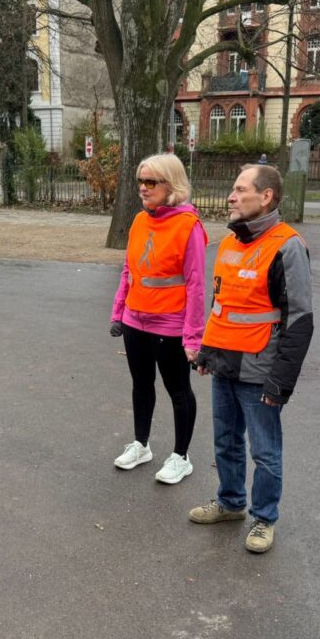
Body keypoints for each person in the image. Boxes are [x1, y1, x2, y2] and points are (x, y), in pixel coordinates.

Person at [188, 164, 313, 553]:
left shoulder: (287, 246)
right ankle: (230, 503)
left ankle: (264, 518)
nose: (231, 196)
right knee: (225, 441)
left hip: (260, 372)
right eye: (233, 188)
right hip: (225, 364)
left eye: (240, 190)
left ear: (266, 197)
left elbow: (300, 320)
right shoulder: (228, 243)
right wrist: (208, 350)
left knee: (265, 452)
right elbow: (222, 304)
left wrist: (281, 381)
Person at [110, 153, 207, 484]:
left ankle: (181, 456)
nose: (143, 188)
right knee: (141, 385)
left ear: (172, 185)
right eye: (140, 181)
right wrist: (118, 310)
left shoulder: (189, 226)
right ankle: (141, 445)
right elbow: (129, 270)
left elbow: (196, 286)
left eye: (151, 182)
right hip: (135, 321)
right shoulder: (139, 221)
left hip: (170, 325)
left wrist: (193, 337)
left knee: (178, 390)